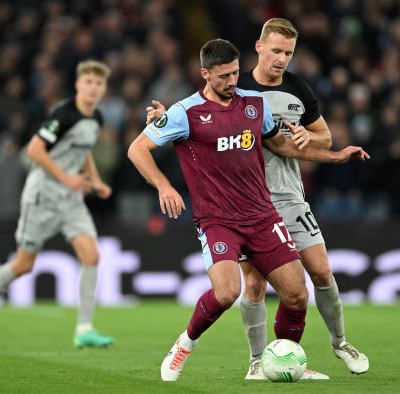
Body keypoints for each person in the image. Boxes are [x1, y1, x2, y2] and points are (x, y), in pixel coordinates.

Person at [129, 38, 369, 382]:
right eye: (223, 76)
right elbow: (138, 148)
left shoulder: (255, 105)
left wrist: (335, 156)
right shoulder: (185, 112)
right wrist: (164, 186)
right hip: (218, 220)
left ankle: (283, 362)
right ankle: (184, 344)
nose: (231, 81)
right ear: (205, 74)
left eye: (235, 73)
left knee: (297, 294)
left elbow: (283, 146)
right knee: (228, 292)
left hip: (262, 215)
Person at [0, 60, 115, 349]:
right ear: (78, 85)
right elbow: (34, 150)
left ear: (104, 88)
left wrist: (95, 180)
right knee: (23, 264)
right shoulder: (63, 115)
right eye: (89, 82)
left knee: (92, 256)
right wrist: (67, 178)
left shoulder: (96, 119)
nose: (94, 88)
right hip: (43, 195)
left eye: (99, 83)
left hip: (70, 200)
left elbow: (84, 152)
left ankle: (84, 329)